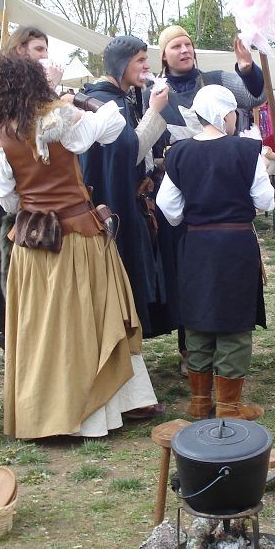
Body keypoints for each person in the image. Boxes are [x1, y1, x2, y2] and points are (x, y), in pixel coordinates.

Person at [0, 47, 158, 438]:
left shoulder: (0, 133)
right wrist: (76, 101)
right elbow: (114, 124)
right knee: (88, 322)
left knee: (43, 330)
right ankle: (100, 411)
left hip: (34, 243)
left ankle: (44, 412)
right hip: (78, 237)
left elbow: (7, 199)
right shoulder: (62, 118)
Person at [150, 25, 266, 373]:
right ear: (164, 55)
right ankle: (190, 350)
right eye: (176, 46)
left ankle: (213, 358)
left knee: (222, 279)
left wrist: (246, 68)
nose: (185, 50)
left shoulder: (216, 80)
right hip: (181, 189)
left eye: (188, 44)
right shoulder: (153, 91)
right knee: (190, 279)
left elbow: (254, 98)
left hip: (222, 187)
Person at [157, 85, 274, 419]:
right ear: (224, 114)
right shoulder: (246, 150)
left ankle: (199, 402)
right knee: (233, 324)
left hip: (196, 245)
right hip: (235, 246)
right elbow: (265, 200)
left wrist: (193, 215)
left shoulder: (179, 153)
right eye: (234, 112)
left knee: (199, 320)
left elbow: (168, 205)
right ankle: (228, 406)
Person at [79, 35, 178, 340]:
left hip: (133, 200)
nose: (147, 66)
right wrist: (154, 112)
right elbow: (125, 153)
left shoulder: (123, 98)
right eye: (140, 60)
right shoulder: (101, 101)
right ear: (121, 64)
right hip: (113, 203)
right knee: (120, 275)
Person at [0, 27, 51, 350]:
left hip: (37, 188)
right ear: (20, 49)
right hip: (3, 186)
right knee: (6, 265)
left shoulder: (35, 86)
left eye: (46, 49)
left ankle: (33, 336)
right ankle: (9, 334)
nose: (45, 56)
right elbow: (4, 132)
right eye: (38, 49)